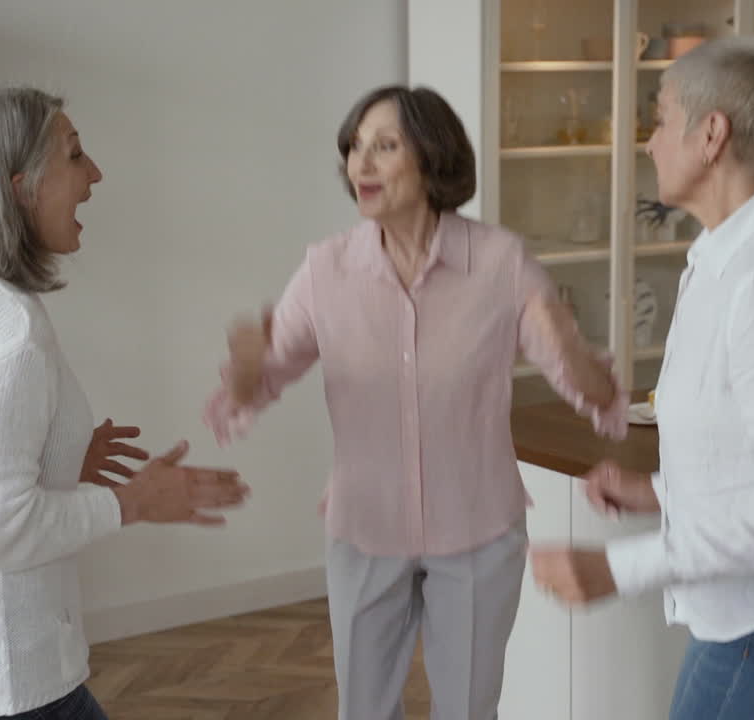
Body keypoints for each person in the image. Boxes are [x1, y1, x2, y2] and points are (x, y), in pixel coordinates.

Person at [204, 85, 627, 720]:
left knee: (467, 710)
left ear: (431, 157)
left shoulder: (500, 262)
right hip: (366, 528)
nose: (361, 163)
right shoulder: (326, 269)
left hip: (477, 528)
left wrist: (568, 343)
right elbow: (257, 387)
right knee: (364, 710)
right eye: (355, 147)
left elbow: (596, 397)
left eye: (384, 146)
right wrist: (244, 367)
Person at [0, 85, 249, 720]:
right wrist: (132, 501)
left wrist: (54, 459)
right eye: (74, 155)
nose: (94, 174)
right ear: (20, 189)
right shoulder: (8, 328)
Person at [530, 36, 754, 719]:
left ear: (712, 134)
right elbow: (748, 453)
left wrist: (619, 567)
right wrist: (659, 492)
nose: (649, 141)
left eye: (660, 119)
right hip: (746, 616)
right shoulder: (724, 257)